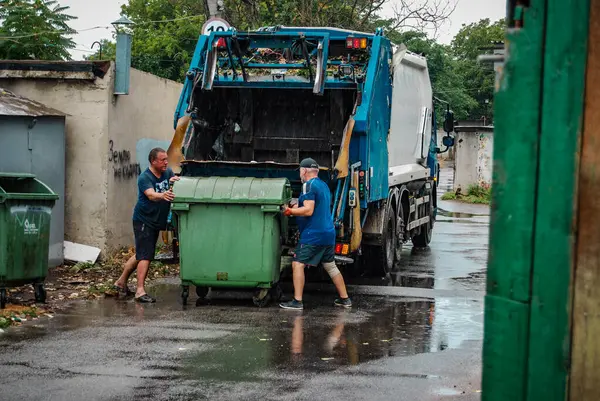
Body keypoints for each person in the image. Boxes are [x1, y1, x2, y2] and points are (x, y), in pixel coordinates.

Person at [279, 158, 352, 310]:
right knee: (331, 266)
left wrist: (290, 211)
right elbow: (314, 205)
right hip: (328, 232)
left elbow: (308, 209)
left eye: (300, 170)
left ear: (304, 171)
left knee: (297, 263)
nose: (300, 173)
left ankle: (297, 301)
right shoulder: (323, 185)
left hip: (314, 234)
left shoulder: (308, 185)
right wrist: (296, 205)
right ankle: (345, 299)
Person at [114, 148, 179, 303]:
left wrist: (175, 182)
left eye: (166, 159)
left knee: (141, 253)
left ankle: (120, 282)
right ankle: (140, 291)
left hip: (156, 221)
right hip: (144, 220)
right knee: (146, 255)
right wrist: (162, 194)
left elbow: (173, 183)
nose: (166, 162)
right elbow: (150, 194)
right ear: (153, 161)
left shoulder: (167, 172)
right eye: (162, 160)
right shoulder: (145, 177)